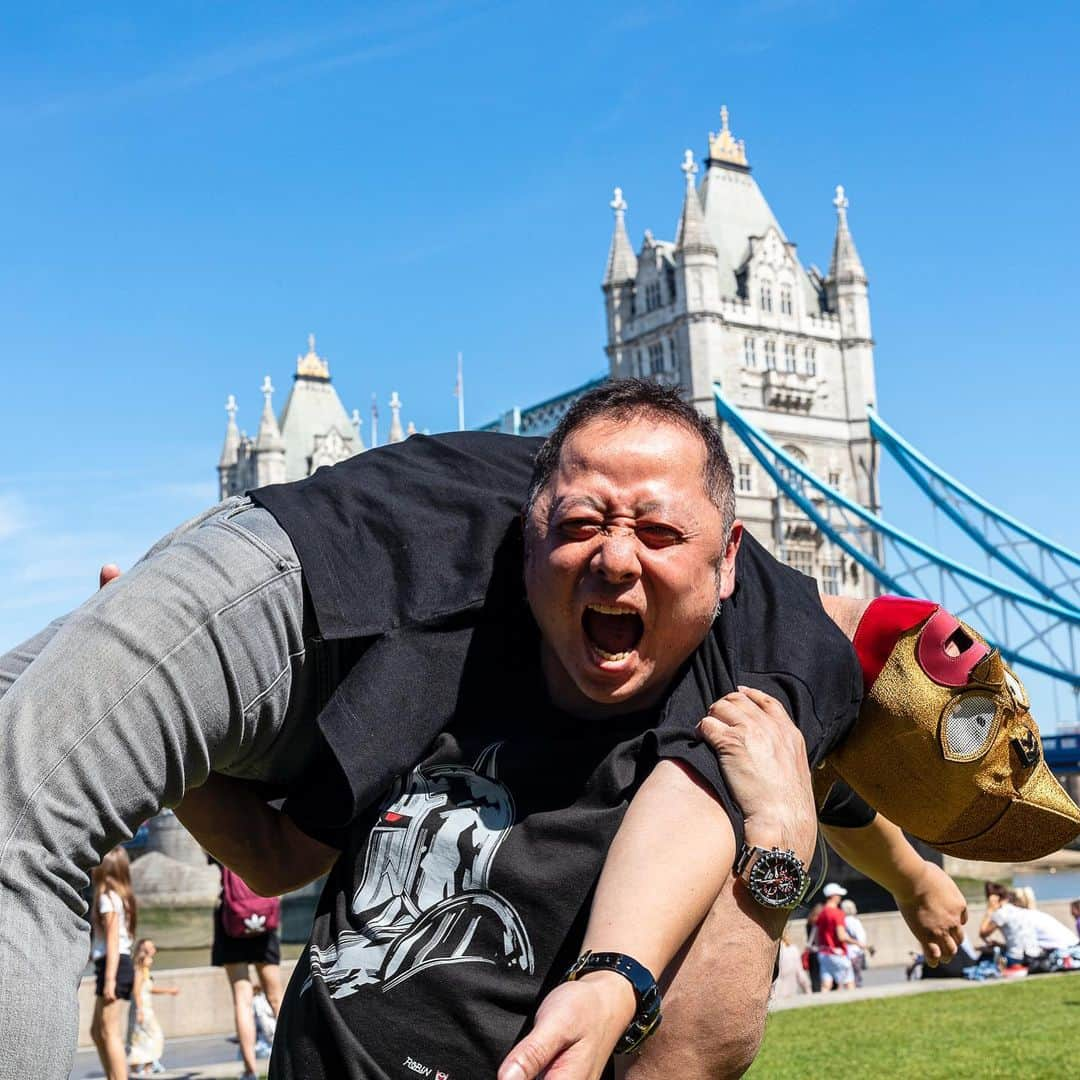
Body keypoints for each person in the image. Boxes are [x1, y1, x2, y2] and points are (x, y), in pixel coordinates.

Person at [0, 380, 1074, 1077]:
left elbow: (278, 854)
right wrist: (905, 876)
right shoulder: (703, 665)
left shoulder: (758, 704)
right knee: (24, 803)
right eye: (587, 522)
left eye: (660, 529)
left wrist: (763, 866)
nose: (619, 554)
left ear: (727, 554)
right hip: (285, 584)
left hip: (286, 633)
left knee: (18, 803)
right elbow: (798, 797)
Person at [210, 863, 283, 1080]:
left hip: (233, 918)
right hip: (263, 914)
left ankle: (250, 1069)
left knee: (242, 999)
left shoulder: (224, 836)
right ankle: (293, 1054)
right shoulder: (264, 834)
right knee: (276, 997)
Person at [89, 847, 137, 1080]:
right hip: (113, 965)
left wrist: (109, 980)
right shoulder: (120, 897)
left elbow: (114, 942)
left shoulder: (108, 898)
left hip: (115, 966)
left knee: (109, 1031)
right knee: (98, 1031)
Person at [127, 938, 179, 1076]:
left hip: (144, 1008)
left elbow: (148, 989)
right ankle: (145, 1068)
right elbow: (137, 991)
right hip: (142, 1009)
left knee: (141, 1037)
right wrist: (139, 1010)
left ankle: (145, 1067)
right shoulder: (139, 969)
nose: (154, 950)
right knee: (151, 1036)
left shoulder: (144, 970)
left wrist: (169, 991)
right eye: (151, 947)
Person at [980, 883, 1039, 973]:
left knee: (984, 957)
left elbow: (983, 933)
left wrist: (989, 910)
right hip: (1034, 955)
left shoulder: (1001, 913)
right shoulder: (1019, 909)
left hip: (1016, 959)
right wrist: (1000, 945)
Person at [812, 884, 856, 991]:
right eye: (839, 895)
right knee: (849, 983)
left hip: (823, 953)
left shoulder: (821, 913)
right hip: (838, 953)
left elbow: (816, 937)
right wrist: (858, 943)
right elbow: (841, 937)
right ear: (833, 896)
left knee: (826, 984)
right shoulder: (838, 913)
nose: (840, 897)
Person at [772, 931, 811, 1000]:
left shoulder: (770, 954)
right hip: (791, 995)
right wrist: (808, 992)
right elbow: (801, 975)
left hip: (774, 997)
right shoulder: (793, 950)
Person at [841, 898, 870, 987]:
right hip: (855, 952)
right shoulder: (854, 921)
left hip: (846, 952)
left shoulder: (842, 921)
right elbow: (861, 937)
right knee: (857, 977)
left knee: (849, 978)